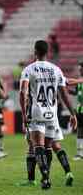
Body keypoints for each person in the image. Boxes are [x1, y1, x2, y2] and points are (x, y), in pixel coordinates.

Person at [19, 40, 77, 189]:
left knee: (37, 146)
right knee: (49, 147)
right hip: (52, 114)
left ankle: (45, 178)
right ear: (47, 52)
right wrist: (72, 113)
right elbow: (63, 94)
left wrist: (24, 114)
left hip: (36, 112)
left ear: (35, 52)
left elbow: (23, 92)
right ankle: (48, 176)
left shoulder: (29, 69)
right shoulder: (56, 70)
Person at [69, 62, 83, 160]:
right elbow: (78, 93)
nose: (79, 70)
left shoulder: (80, 80)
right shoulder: (79, 82)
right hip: (79, 110)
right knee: (79, 131)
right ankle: (79, 153)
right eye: (79, 69)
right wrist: (69, 92)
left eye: (81, 69)